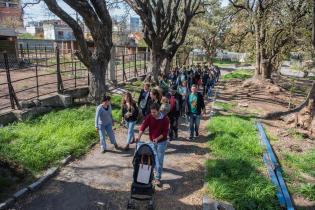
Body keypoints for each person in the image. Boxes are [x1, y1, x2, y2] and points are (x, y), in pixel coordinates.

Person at [136, 103, 169, 187]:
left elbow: (165, 133)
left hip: (162, 142)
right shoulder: (150, 117)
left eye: (154, 112)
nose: (152, 114)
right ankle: (154, 173)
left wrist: (157, 139)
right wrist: (139, 136)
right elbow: (143, 126)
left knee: (159, 159)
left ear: (158, 111)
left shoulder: (165, 119)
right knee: (153, 158)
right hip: (152, 141)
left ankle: (158, 178)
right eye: (151, 112)